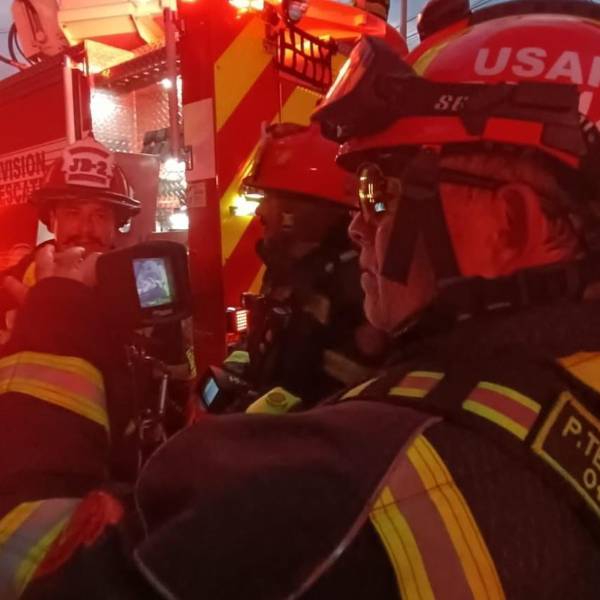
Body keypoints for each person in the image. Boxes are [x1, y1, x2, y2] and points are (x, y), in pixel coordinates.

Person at [10, 2, 600, 598]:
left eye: (379, 190)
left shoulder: (329, 492)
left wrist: (55, 326)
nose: (356, 226)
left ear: (511, 225)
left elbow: (29, 564)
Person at [224, 123, 385, 411]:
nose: (260, 211)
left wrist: (250, 420)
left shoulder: (356, 288)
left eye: (269, 199)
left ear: (298, 211)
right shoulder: (287, 270)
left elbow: (335, 398)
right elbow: (262, 340)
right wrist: (234, 372)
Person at [0, 136, 140, 330]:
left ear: (116, 225)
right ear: (52, 221)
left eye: (100, 215)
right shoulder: (10, 288)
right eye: (72, 213)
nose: (85, 229)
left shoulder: (142, 284)